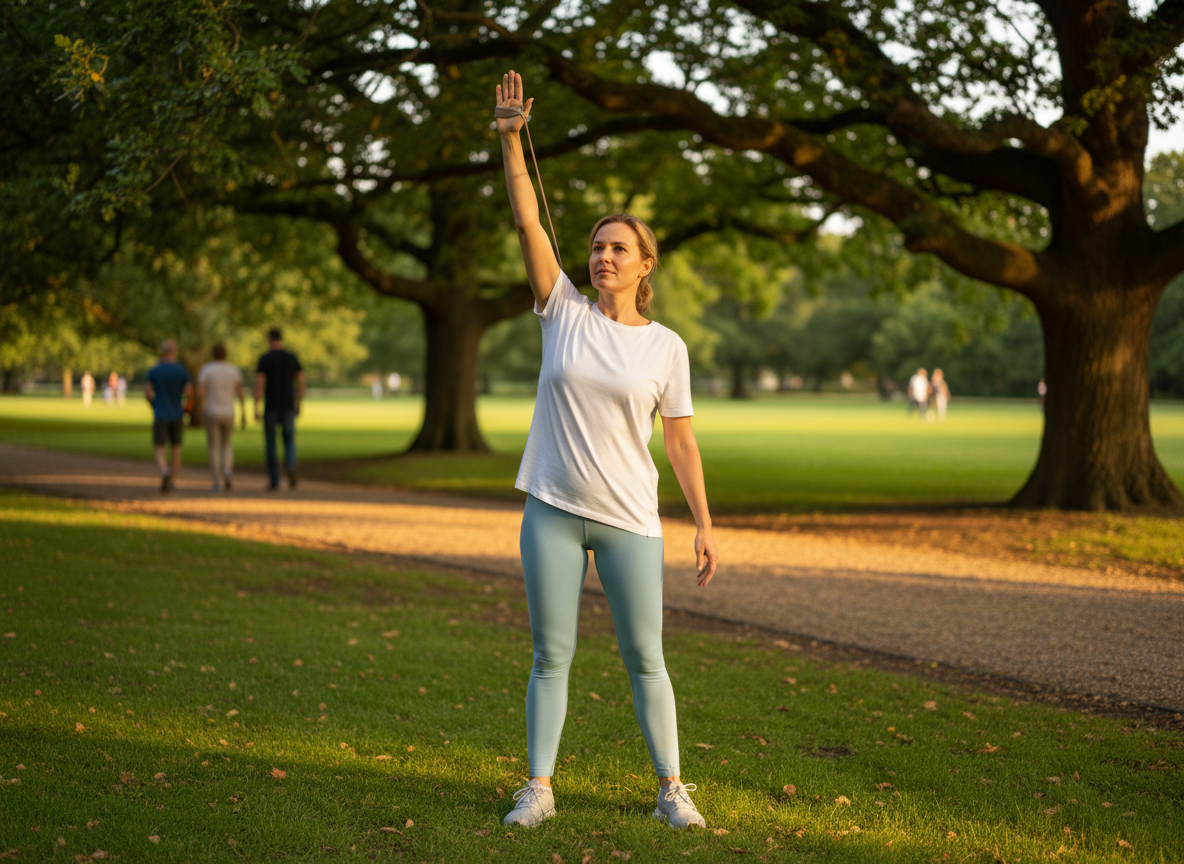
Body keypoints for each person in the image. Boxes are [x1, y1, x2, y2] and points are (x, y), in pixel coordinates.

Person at [496, 71, 719, 832]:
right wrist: (511, 142)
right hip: (553, 512)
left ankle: (671, 791)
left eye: (619, 248)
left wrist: (704, 521)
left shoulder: (667, 348)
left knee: (646, 660)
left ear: (645, 265)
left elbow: (681, 441)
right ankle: (539, 787)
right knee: (549, 656)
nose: (603, 257)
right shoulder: (560, 309)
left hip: (630, 522)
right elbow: (530, 226)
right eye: (596, 247)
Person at [254, 328, 305, 491]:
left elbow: (260, 382)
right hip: (288, 404)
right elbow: (301, 380)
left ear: (269, 340)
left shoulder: (265, 359)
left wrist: (256, 405)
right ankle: (290, 464)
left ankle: (274, 480)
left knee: (271, 444)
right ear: (281, 339)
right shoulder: (291, 357)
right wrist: (299, 400)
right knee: (289, 441)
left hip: (271, 406)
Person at [144, 340, 193, 493]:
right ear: (175, 352)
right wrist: (185, 409)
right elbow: (189, 393)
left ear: (162, 352)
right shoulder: (181, 371)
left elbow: (147, 392)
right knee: (176, 448)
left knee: (159, 447)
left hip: (160, 414)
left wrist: (153, 404)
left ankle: (165, 471)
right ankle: (172, 479)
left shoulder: (154, 370)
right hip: (177, 414)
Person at [198, 343, 246, 492]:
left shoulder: (207, 369)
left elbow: (201, 393)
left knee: (213, 447)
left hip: (212, 411)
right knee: (226, 445)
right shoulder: (233, 370)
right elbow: (240, 393)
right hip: (228, 412)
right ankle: (227, 472)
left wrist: (200, 409)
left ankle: (217, 480)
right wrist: (243, 413)